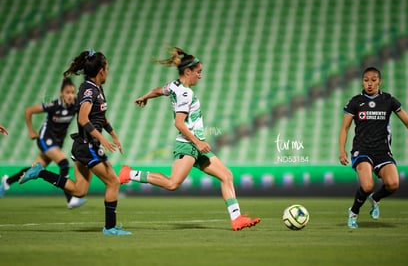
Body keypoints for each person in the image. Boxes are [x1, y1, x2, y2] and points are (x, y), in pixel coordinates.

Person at [118, 46, 261, 231]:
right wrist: (198, 142)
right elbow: (179, 123)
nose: (200, 76)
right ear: (188, 71)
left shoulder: (174, 85)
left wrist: (145, 96)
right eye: (198, 72)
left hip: (195, 145)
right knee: (172, 184)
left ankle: (236, 219)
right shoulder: (185, 94)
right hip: (188, 145)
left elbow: (158, 90)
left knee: (226, 176)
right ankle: (129, 174)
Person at [19, 49, 131, 235]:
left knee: (79, 191)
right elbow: (83, 119)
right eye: (108, 68)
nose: (108, 72)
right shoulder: (88, 89)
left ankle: (41, 172)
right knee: (113, 182)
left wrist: (113, 134)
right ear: (101, 70)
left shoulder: (96, 88)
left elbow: (100, 116)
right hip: (88, 146)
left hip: (83, 145)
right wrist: (102, 138)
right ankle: (110, 228)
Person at [339, 66, 408, 229]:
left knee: (393, 184)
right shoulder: (355, 101)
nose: (369, 84)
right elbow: (344, 128)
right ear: (362, 82)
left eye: (373, 80)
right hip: (362, 149)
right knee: (367, 185)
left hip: (382, 151)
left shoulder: (389, 100)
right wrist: (341, 150)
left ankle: (376, 199)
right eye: (366, 80)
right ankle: (354, 211)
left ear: (380, 81)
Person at [0, 78, 86, 209]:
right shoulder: (54, 105)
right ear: (61, 93)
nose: (70, 95)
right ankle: (70, 199)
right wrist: (31, 130)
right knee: (64, 163)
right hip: (45, 139)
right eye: (67, 92)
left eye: (72, 92)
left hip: (56, 143)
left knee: (33, 168)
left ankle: (6, 181)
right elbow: (29, 110)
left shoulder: (75, 105)